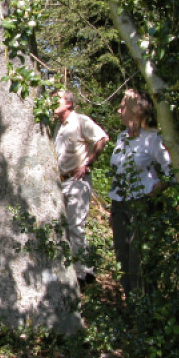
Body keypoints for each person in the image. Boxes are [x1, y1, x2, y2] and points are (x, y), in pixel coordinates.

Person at [109, 89, 172, 296]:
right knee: (123, 259)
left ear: (136, 110)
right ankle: (132, 307)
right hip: (119, 204)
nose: (119, 111)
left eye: (123, 106)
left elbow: (172, 171)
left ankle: (146, 309)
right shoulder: (121, 137)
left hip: (141, 206)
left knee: (139, 262)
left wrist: (154, 192)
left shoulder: (153, 139)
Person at [53, 89, 109, 286]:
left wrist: (88, 163)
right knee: (68, 227)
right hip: (61, 182)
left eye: (56, 99)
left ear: (68, 103)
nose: (52, 102)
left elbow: (102, 138)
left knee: (75, 226)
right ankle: (86, 269)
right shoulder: (56, 127)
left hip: (78, 181)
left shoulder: (80, 121)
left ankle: (82, 275)